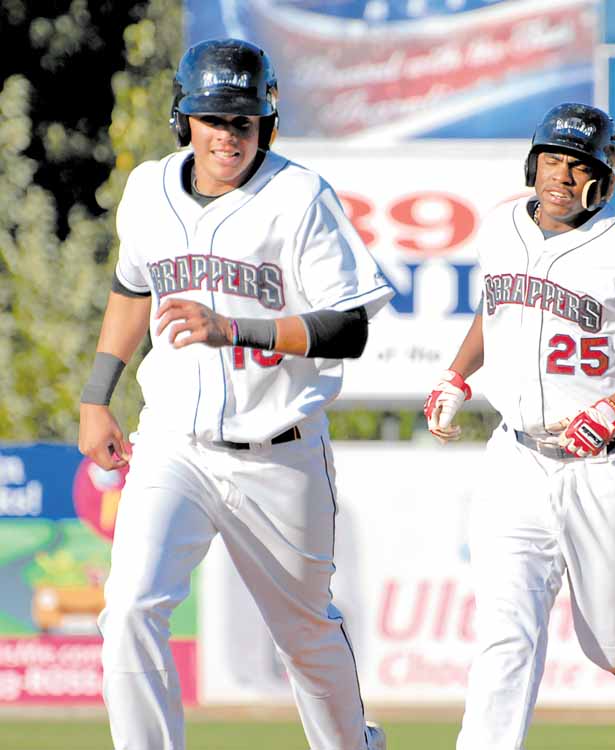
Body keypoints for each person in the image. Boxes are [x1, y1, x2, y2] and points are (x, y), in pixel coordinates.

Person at [78, 38, 392, 750]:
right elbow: (131, 286)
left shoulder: (299, 195)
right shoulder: (150, 188)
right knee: (128, 607)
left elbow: (348, 327)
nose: (228, 134)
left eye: (244, 120)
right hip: (173, 444)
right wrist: (97, 395)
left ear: (267, 123)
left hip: (277, 451)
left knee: (306, 634)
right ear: (183, 120)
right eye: (213, 118)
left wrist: (235, 328)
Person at [423, 102, 615, 749]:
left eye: (578, 164)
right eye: (553, 159)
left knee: (612, 648)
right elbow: (496, 306)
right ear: (533, 165)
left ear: (603, 178)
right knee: (506, 634)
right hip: (517, 460)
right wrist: (456, 373)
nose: (562, 175)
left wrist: (612, 408)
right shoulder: (503, 226)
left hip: (611, 464)